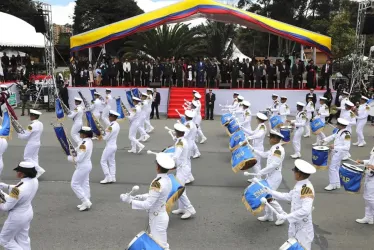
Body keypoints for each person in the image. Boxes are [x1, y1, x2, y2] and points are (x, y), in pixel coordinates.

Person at [120, 152, 174, 249]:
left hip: (157, 218)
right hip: (159, 215)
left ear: (157, 166)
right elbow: (156, 196)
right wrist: (139, 197)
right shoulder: (167, 179)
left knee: (161, 246)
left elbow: (148, 204)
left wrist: (129, 201)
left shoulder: (157, 183)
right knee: (158, 244)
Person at [268, 159, 316, 250]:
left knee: (302, 248)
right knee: (292, 246)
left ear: (299, 174)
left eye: (294, 171)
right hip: (294, 223)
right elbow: (288, 196)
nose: (293, 173)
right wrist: (270, 191)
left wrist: (286, 217)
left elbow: (305, 210)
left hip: (303, 227)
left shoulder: (306, 189)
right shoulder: (300, 185)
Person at [0, 161, 39, 249]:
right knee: (23, 239)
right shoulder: (34, 180)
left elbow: (6, 207)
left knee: (4, 240)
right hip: (27, 212)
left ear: (22, 173)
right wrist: (7, 186)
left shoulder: (17, 190)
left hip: (16, 217)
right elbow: (21, 189)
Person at [253, 130, 286, 226]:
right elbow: (264, 155)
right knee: (266, 195)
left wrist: (261, 172)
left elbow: (274, 164)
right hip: (270, 176)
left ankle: (282, 214)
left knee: (270, 196)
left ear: (275, 139)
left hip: (275, 176)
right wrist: (253, 150)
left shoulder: (278, 150)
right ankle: (269, 215)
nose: (269, 139)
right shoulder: (274, 148)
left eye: (270, 137)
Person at [169, 123, 197, 219]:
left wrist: (167, 161)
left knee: (179, 189)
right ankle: (182, 208)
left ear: (177, 132)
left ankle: (190, 208)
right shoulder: (182, 140)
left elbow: (176, 156)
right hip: (182, 167)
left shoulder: (180, 143)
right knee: (181, 188)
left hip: (182, 168)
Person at [67, 126, 93, 211]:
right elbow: (78, 150)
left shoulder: (84, 144)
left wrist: (69, 158)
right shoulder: (87, 141)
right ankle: (86, 200)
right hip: (87, 165)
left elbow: (78, 159)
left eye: (81, 133)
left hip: (83, 166)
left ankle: (85, 201)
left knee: (74, 184)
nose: (80, 134)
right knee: (85, 184)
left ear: (85, 134)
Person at [321, 118, 351, 191]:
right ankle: (337, 183)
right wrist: (325, 140)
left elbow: (347, 147)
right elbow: (333, 136)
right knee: (336, 167)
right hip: (336, 151)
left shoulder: (347, 134)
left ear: (342, 125)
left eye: (338, 124)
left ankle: (332, 184)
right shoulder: (339, 131)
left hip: (339, 152)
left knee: (332, 168)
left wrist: (335, 147)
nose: (336, 125)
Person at [17, 109, 46, 178]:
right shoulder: (40, 123)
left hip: (32, 143)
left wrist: (19, 133)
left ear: (33, 116)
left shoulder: (31, 125)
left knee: (27, 157)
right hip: (37, 142)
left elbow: (26, 136)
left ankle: (39, 169)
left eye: (30, 115)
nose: (30, 117)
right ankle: (35, 171)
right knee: (34, 157)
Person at [100, 111, 120, 184]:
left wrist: (101, 134)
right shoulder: (116, 124)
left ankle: (108, 177)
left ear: (113, 117)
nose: (108, 117)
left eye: (110, 116)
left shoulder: (110, 127)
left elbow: (105, 138)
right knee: (112, 162)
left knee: (103, 161)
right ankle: (113, 176)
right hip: (114, 145)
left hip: (109, 146)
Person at [356, 148, 374, 224]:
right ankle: (369, 217)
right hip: (369, 175)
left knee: (370, 198)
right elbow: (371, 161)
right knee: (367, 197)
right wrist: (362, 162)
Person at [184, 110, 198, 182]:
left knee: (185, 161)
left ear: (186, 117)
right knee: (187, 160)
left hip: (188, 143)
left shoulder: (188, 125)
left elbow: (185, 135)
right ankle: (189, 175)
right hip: (191, 142)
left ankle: (187, 177)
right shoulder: (192, 123)